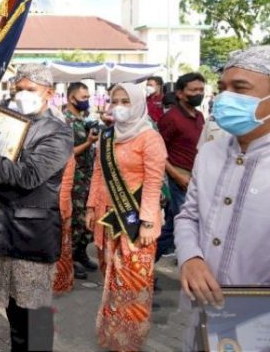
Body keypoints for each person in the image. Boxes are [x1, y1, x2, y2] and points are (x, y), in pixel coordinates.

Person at [0, 64, 73, 351]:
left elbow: (29, 176)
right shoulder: (11, 123)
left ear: (48, 93)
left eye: (30, 90)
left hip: (33, 236)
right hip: (6, 230)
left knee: (34, 317)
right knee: (15, 314)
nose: (22, 95)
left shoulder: (57, 133)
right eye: (19, 89)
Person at [175, 46, 270, 349]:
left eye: (240, 88)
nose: (225, 98)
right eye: (223, 88)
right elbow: (188, 215)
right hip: (203, 312)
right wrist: (190, 258)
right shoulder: (210, 152)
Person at [85, 83, 167, 351]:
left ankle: (130, 340)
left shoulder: (150, 138)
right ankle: (112, 335)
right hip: (107, 220)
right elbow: (98, 174)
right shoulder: (107, 137)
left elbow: (154, 183)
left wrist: (146, 222)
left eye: (125, 101)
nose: (119, 106)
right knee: (110, 278)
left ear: (138, 103)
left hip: (136, 224)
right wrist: (89, 208)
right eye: (114, 100)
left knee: (133, 283)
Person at [156, 73, 206, 260]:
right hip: (179, 180)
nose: (198, 94)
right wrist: (176, 176)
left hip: (194, 179)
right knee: (188, 227)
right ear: (180, 93)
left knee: (171, 227)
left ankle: (144, 268)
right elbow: (158, 152)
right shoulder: (172, 118)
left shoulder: (199, 116)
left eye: (201, 90)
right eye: (193, 90)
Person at [63, 82, 99, 280]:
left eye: (88, 98)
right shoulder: (65, 121)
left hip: (88, 177)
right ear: (71, 98)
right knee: (76, 220)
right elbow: (67, 152)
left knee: (88, 218)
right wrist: (88, 143)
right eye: (83, 98)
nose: (87, 101)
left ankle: (81, 252)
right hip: (74, 178)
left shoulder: (83, 119)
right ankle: (70, 260)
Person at [54, 155, 76, 295]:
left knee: (62, 248)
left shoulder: (65, 147)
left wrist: (61, 208)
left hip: (59, 208)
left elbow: (67, 181)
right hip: (43, 205)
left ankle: (60, 284)